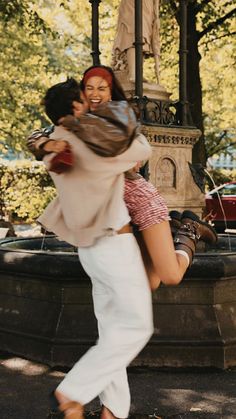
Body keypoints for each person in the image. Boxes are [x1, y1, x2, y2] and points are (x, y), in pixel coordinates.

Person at [28, 65, 217, 292]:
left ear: (111, 92)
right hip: (112, 211)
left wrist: (77, 127)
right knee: (147, 284)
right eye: (89, 88)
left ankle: (189, 229)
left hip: (138, 199)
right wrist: (44, 142)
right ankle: (171, 228)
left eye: (102, 88)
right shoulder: (74, 120)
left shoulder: (120, 115)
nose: (95, 94)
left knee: (171, 276)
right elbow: (40, 132)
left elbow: (127, 147)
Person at [30, 76, 154, 419]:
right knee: (136, 328)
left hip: (89, 251)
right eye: (84, 97)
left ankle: (113, 411)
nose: (90, 100)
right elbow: (141, 150)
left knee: (113, 334)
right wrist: (111, 122)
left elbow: (43, 141)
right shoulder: (88, 141)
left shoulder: (55, 142)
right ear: (74, 106)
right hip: (114, 244)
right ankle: (72, 391)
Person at [112, 0, 160, 82]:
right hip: (133, 4)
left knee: (144, 38)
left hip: (148, 6)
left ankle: (137, 73)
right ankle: (133, 74)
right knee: (134, 34)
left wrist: (156, 15)